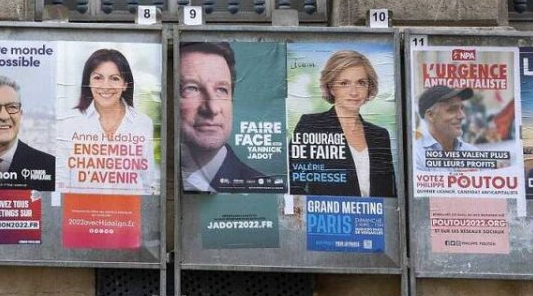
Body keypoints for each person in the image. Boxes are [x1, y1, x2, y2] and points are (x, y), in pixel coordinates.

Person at [290, 50, 396, 197]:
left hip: (374, 212)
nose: (354, 92)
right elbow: (294, 185)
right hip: (328, 212)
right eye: (344, 83)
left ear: (369, 87)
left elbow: (389, 192)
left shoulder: (380, 135)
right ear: (331, 88)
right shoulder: (311, 125)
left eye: (361, 83)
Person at [59, 48, 157, 194]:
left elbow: (147, 182)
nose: (105, 86)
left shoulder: (143, 123)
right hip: (82, 207)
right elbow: (61, 182)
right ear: (88, 82)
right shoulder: (68, 123)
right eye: (98, 78)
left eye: (114, 78)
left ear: (125, 84)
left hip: (128, 207)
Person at [178, 42, 268, 193]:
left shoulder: (266, 192)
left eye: (221, 90)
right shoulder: (149, 180)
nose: (212, 108)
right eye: (191, 88)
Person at [413, 84, 477, 172]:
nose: (462, 116)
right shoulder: (416, 155)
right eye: (452, 109)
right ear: (431, 115)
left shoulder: (472, 152)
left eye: (461, 108)